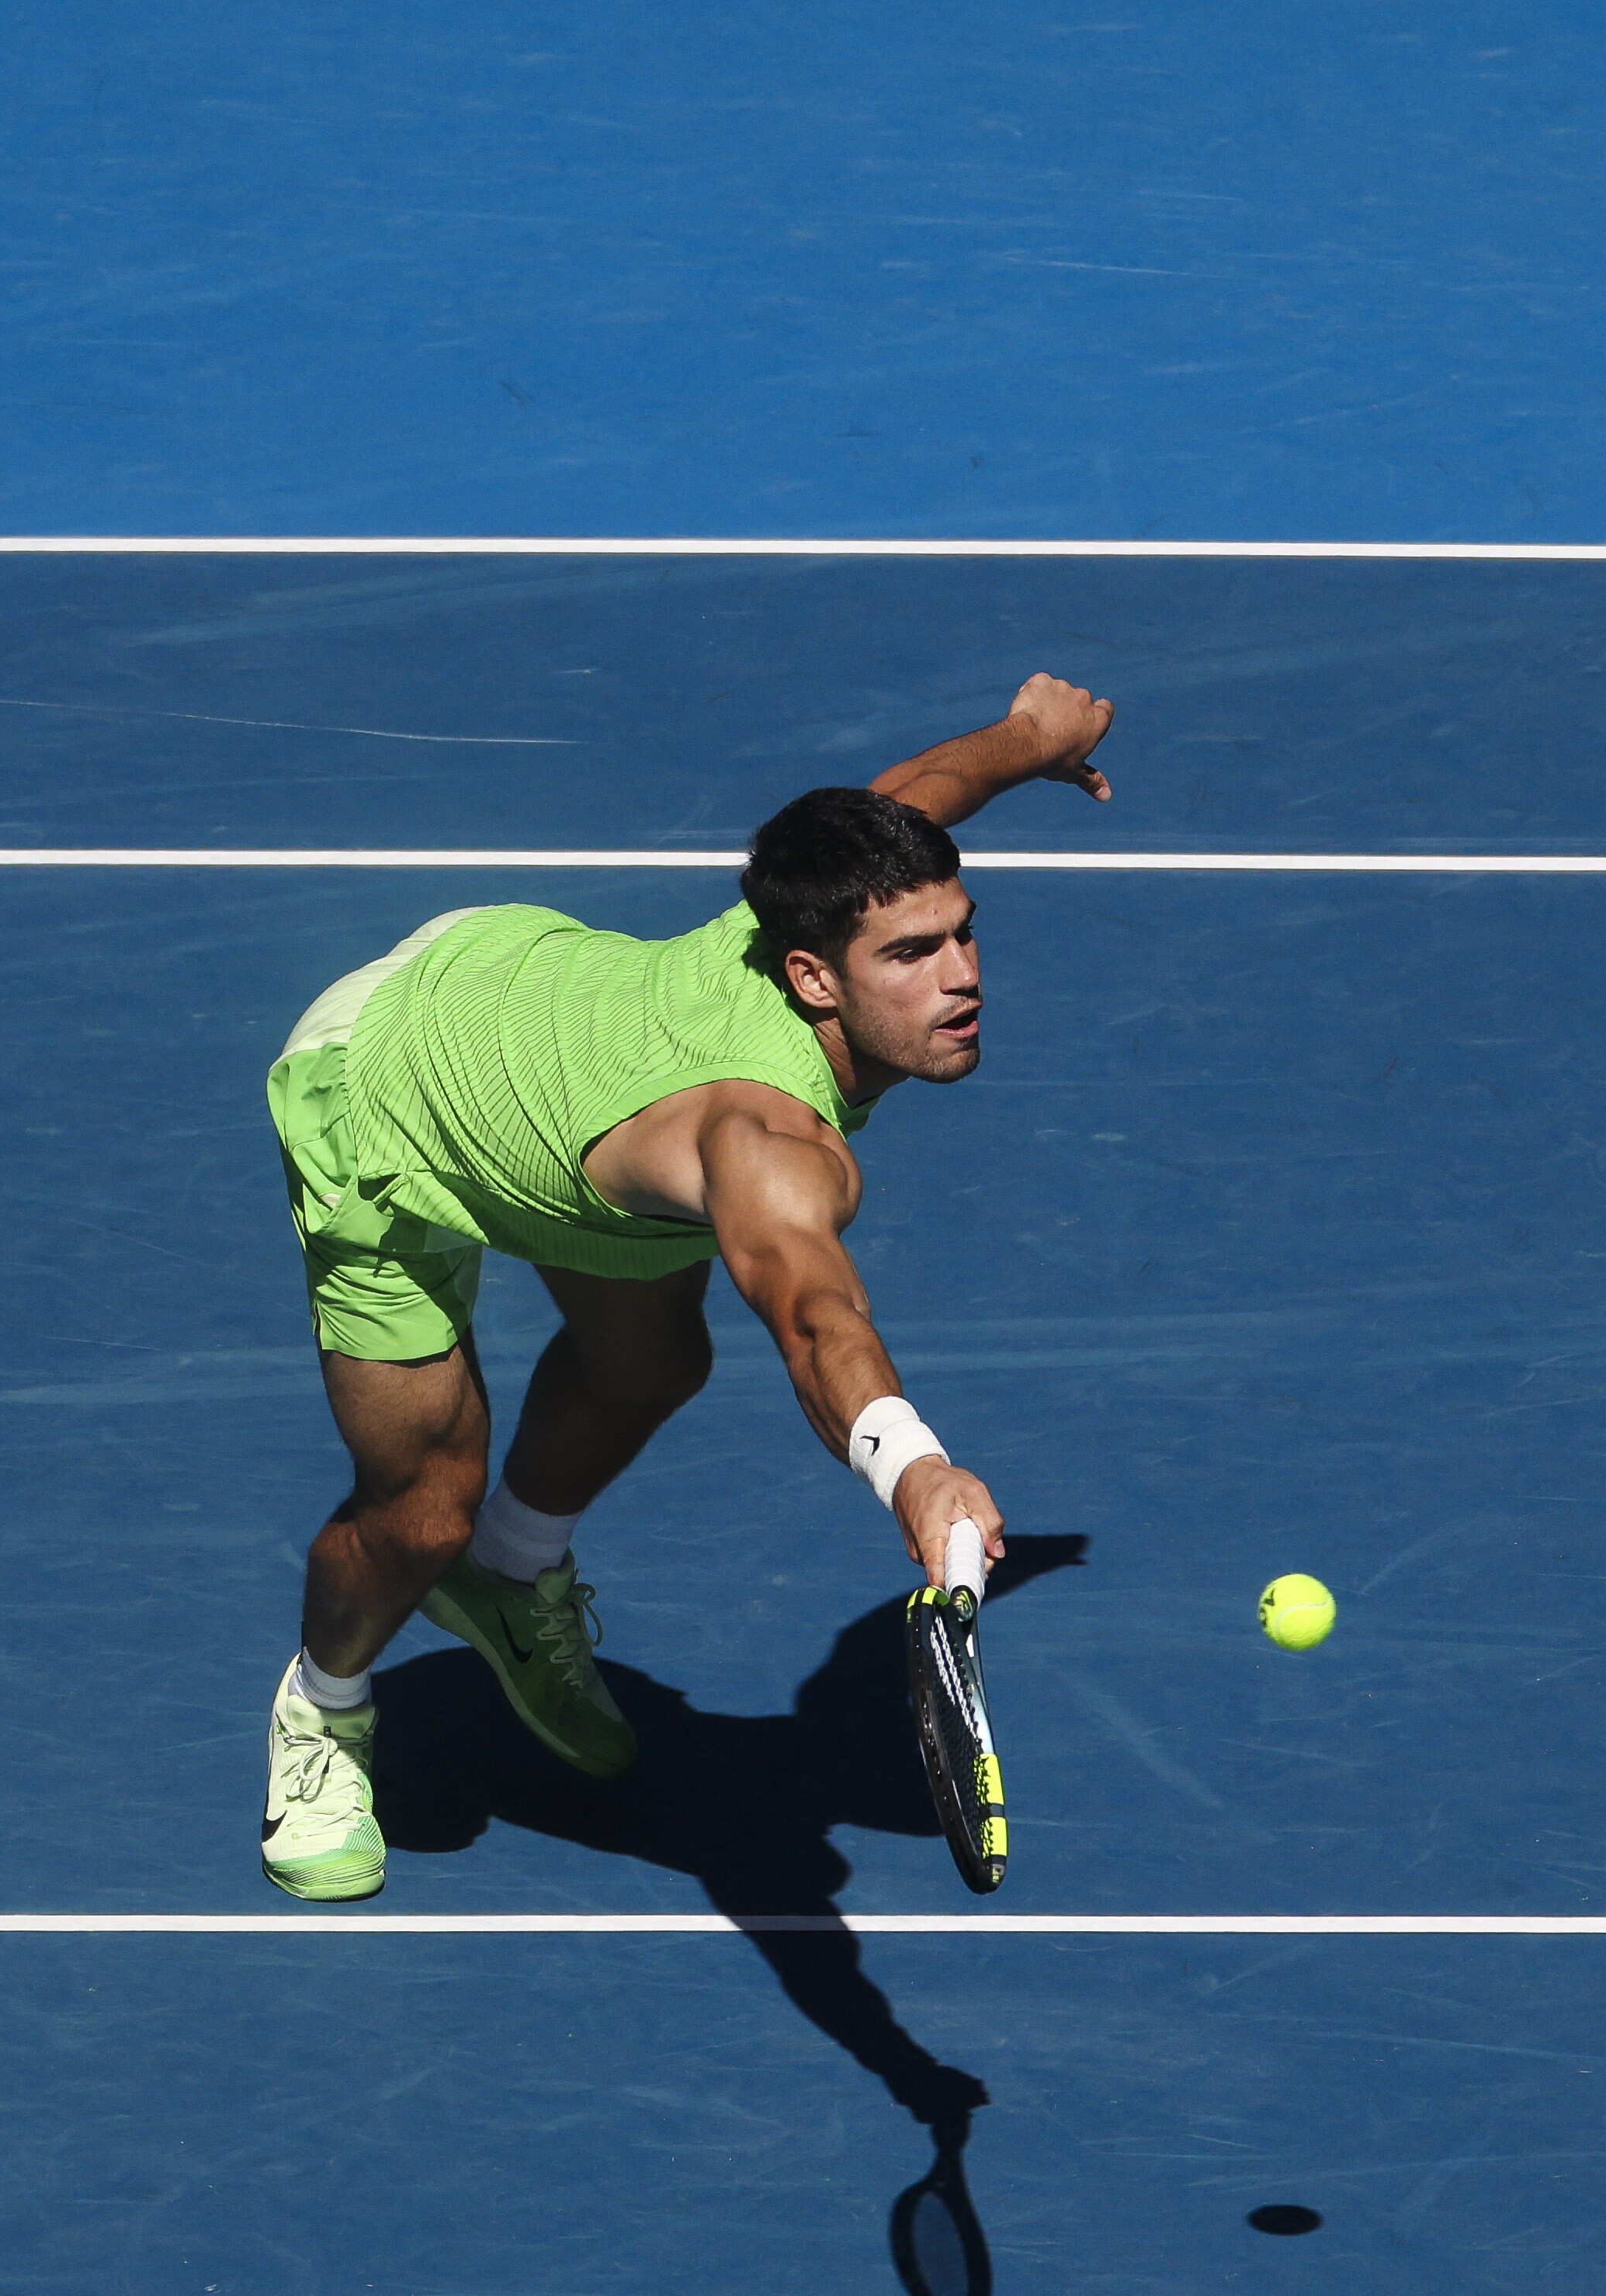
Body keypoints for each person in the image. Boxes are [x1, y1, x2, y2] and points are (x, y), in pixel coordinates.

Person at [250, 674, 1117, 1899]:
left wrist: (1030, 740)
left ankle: (508, 1570)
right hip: (387, 1106)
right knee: (417, 1510)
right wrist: (914, 1467)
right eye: (913, 956)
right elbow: (816, 1313)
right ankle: (324, 1708)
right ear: (816, 979)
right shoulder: (768, 1147)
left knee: (654, 1361)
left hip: (536, 1026)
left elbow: (910, 799)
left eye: (962, 931)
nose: (960, 975)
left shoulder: (819, 900)